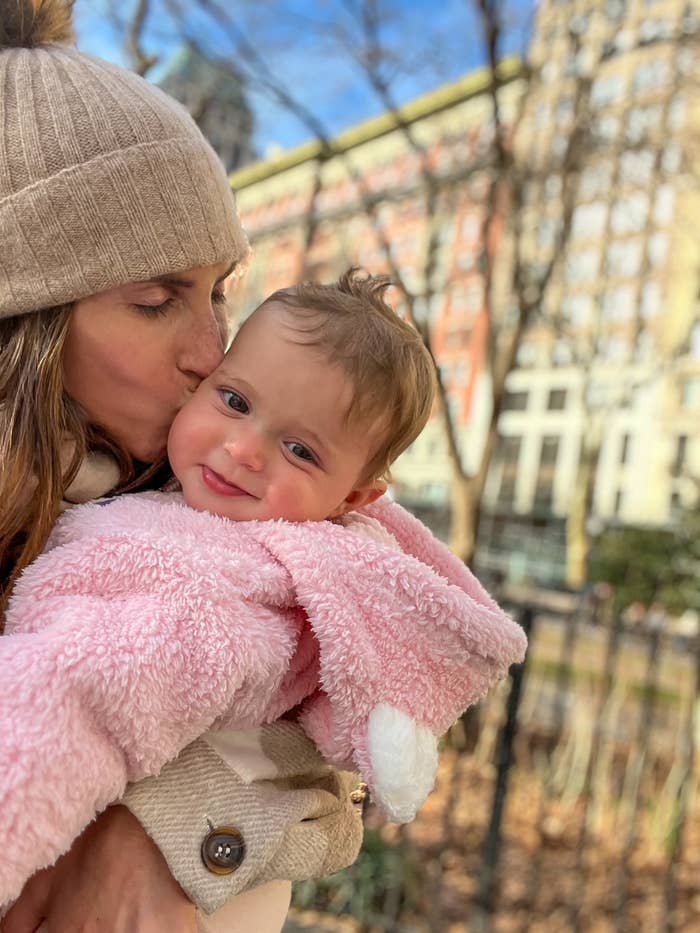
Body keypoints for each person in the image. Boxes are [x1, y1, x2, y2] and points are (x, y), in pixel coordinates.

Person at [0, 2, 363, 931]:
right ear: (24, 324)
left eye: (218, 291)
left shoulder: (216, 514)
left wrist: (150, 823)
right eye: (158, 298)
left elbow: (334, 785)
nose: (215, 350)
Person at [1, 271, 527, 909]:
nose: (245, 449)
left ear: (354, 498)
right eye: (234, 402)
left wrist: (148, 829)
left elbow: (82, 698)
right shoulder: (121, 478)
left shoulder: (254, 589)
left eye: (301, 450)